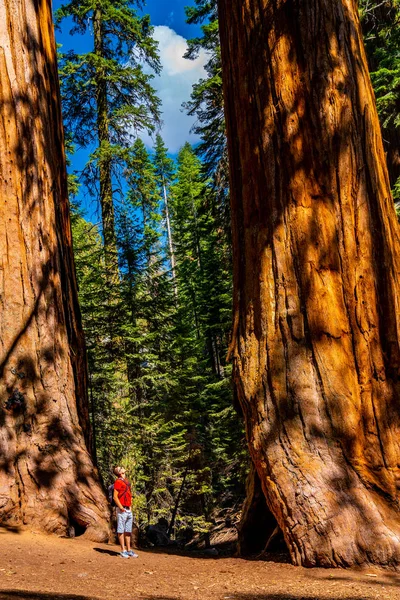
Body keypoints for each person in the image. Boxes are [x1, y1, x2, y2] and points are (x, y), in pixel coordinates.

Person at [113, 466, 138, 559]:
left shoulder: (127, 481)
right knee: (121, 529)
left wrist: (130, 507)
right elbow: (115, 497)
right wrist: (121, 507)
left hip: (128, 509)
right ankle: (123, 550)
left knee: (128, 530)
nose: (123, 468)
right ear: (119, 472)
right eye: (121, 468)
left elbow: (129, 495)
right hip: (122, 509)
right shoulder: (118, 482)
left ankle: (129, 550)